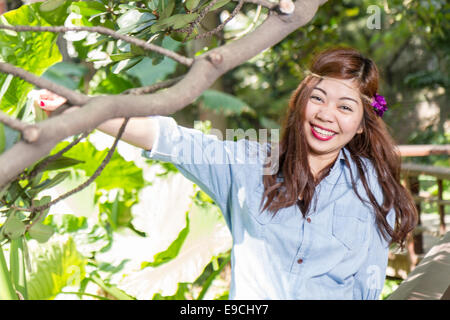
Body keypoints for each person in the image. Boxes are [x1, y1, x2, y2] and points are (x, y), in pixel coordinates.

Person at [35, 47, 418, 300]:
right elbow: (170, 138)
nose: (325, 115)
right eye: (317, 98)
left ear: (363, 124)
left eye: (345, 106)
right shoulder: (249, 165)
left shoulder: (372, 188)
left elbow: (368, 283)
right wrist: (78, 110)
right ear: (301, 101)